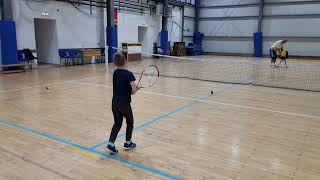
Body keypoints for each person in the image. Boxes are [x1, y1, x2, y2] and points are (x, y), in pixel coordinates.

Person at [107, 52, 139, 154]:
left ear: (115, 63)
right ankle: (128, 143)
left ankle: (111, 144)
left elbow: (121, 87)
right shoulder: (129, 75)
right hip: (124, 104)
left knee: (117, 123)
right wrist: (136, 89)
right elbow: (133, 91)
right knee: (130, 122)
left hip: (114, 103)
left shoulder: (115, 73)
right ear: (125, 61)